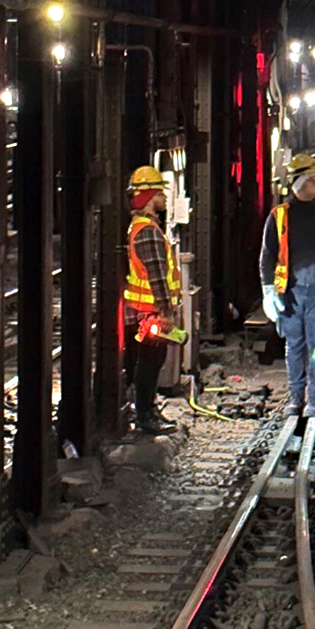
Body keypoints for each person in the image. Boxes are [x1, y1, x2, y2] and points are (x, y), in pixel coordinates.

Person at [260, 153, 315, 416]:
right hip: (291, 292)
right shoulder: (279, 216)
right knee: (294, 345)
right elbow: (268, 256)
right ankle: (296, 399)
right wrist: (268, 290)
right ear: (300, 183)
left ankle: (314, 400)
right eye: (314, 179)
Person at [123, 165, 182, 435]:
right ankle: (145, 416)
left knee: (150, 362)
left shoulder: (141, 227)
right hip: (150, 312)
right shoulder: (148, 231)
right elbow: (157, 275)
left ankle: (148, 410)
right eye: (159, 193)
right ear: (147, 197)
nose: (164, 197)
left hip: (145, 310)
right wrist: (166, 312)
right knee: (150, 362)